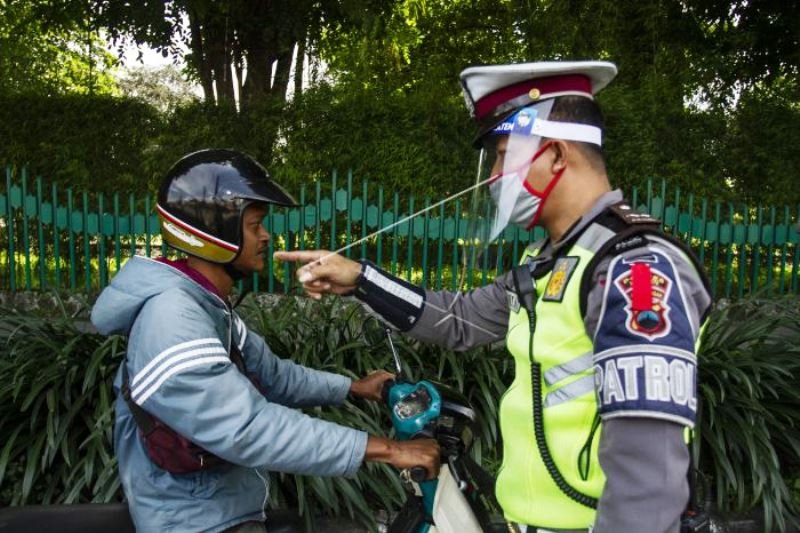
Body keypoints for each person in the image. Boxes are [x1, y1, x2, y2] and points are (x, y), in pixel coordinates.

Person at [275, 61, 712, 532]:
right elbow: (459, 320)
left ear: (557, 155)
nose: (494, 176)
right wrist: (359, 278)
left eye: (505, 155)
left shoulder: (632, 268)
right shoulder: (554, 262)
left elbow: (648, 465)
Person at [90, 149, 440, 533]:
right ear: (215, 231)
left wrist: (354, 388)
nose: (266, 236)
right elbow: (247, 428)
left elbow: (274, 376)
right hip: (196, 524)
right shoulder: (172, 320)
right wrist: (389, 450)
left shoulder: (205, 305)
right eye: (255, 224)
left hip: (224, 510)